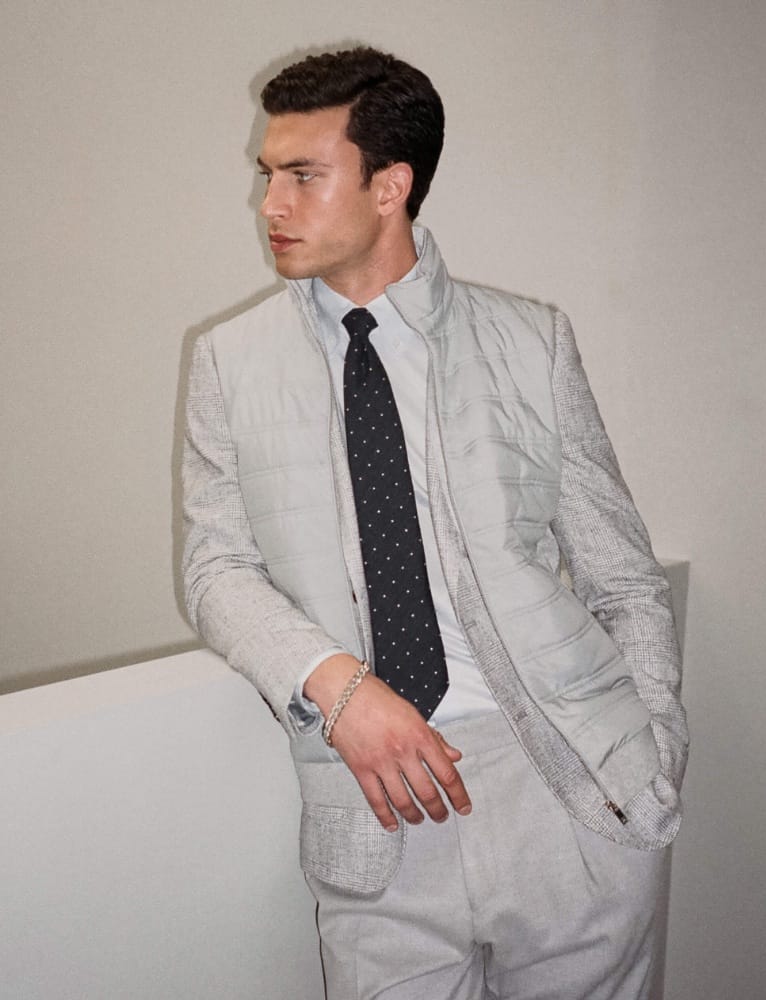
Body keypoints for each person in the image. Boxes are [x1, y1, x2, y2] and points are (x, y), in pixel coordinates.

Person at [182, 46, 688, 1000]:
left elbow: (621, 575)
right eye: (267, 174)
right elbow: (216, 570)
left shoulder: (531, 341)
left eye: (302, 175)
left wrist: (654, 749)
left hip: (566, 790)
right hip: (371, 804)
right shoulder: (229, 362)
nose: (269, 204)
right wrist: (341, 689)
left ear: (391, 186)